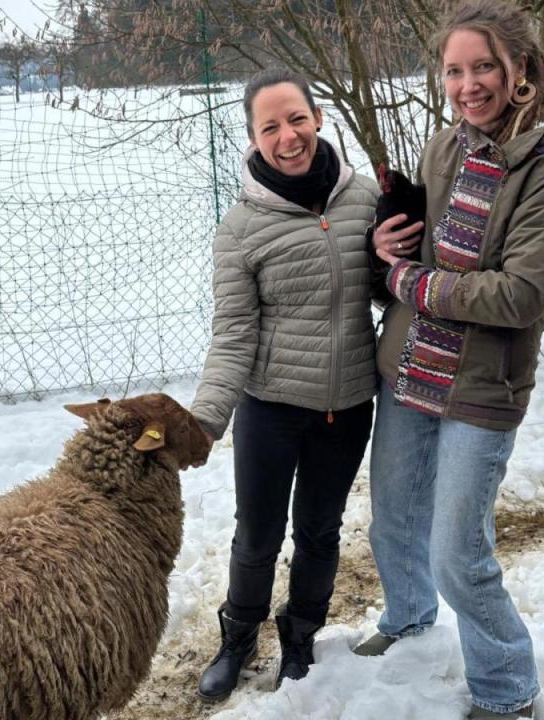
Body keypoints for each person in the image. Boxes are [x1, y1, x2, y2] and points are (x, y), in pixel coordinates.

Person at [356, 1, 544, 719]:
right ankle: (406, 617)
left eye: (484, 66)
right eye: (455, 70)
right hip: (409, 370)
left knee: (459, 552)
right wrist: (386, 251)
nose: (468, 84)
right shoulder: (446, 146)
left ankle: (506, 687)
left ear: (521, 69)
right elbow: (418, 251)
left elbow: (521, 293)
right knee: (394, 519)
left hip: (481, 387)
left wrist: (409, 283)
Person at [189, 68, 380, 702]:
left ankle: (300, 638)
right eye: (270, 126)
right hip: (270, 409)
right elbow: (233, 334)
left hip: (348, 405)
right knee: (258, 536)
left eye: (295, 118)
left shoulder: (365, 200)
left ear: (318, 118)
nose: (287, 135)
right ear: (253, 137)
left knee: (321, 532)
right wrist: (206, 419)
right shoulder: (240, 229)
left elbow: (390, 285)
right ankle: (237, 638)